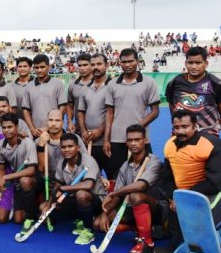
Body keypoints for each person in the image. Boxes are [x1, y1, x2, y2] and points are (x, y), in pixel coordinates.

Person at [157, 110, 221, 253]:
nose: (180, 131)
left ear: (195, 126)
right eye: (176, 127)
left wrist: (184, 196)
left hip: (216, 192)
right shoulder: (169, 145)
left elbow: (216, 183)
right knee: (176, 228)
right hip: (183, 193)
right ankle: (182, 238)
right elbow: (167, 176)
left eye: (185, 127)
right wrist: (174, 196)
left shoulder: (213, 145)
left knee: (200, 221)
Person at [94, 124, 164, 253]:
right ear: (126, 142)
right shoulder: (125, 166)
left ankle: (146, 242)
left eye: (137, 140)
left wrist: (114, 193)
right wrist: (105, 212)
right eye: (130, 140)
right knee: (98, 224)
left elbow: (140, 186)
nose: (133, 143)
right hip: (132, 207)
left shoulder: (153, 161)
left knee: (135, 195)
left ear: (145, 140)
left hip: (156, 209)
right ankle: (140, 228)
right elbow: (118, 195)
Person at [103, 48, 160, 181]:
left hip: (140, 137)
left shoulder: (149, 82)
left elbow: (155, 112)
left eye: (131, 61)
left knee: (144, 173)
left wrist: (137, 128)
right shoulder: (112, 84)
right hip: (117, 139)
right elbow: (109, 114)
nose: (127, 65)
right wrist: (106, 139)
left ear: (137, 62)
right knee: (116, 175)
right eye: (124, 62)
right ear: (119, 63)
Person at [41, 133, 105, 245]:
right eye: (63, 147)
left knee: (81, 194)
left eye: (70, 146)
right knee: (43, 205)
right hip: (75, 198)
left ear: (78, 147)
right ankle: (81, 219)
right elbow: (57, 186)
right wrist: (49, 203)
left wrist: (64, 187)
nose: (66, 150)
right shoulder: (61, 163)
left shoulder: (88, 161)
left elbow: (88, 185)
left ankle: (88, 230)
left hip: (97, 201)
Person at [165, 46, 221, 135]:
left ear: (206, 63)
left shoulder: (218, 84)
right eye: (190, 62)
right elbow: (171, 106)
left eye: (198, 63)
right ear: (185, 63)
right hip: (180, 135)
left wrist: (212, 129)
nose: (194, 66)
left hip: (206, 137)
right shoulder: (174, 82)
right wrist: (178, 126)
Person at [0, 113, 39, 226]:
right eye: (4, 127)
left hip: (35, 179)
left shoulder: (28, 142)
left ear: (17, 127)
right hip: (18, 181)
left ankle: (32, 215)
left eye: (10, 127)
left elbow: (31, 170)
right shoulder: (0, 145)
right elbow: (1, 169)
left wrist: (6, 177)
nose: (6, 130)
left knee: (25, 180)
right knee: (17, 220)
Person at [78, 53, 112, 179]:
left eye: (99, 64)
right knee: (90, 176)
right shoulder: (85, 89)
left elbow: (112, 113)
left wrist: (101, 130)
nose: (95, 67)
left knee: (111, 175)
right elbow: (81, 111)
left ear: (107, 65)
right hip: (89, 141)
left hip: (108, 142)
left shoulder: (112, 86)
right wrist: (83, 131)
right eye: (93, 64)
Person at [22, 54, 68, 138]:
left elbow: (63, 106)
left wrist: (50, 126)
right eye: (36, 67)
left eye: (42, 67)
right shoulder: (28, 86)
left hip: (55, 131)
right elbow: (26, 110)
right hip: (36, 131)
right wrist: (32, 129)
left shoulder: (58, 83)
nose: (39, 70)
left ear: (49, 67)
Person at [66, 53, 93, 133]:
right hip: (78, 129)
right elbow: (70, 106)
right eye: (80, 65)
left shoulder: (101, 84)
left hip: (98, 130)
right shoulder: (72, 85)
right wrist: (70, 122)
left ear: (92, 65)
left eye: (85, 65)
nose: (82, 68)